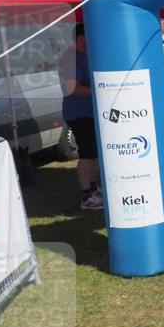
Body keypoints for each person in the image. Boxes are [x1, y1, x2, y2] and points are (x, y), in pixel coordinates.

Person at [58, 23, 102, 210]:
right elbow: (72, 88)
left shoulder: (84, 55)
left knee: (93, 153)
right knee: (86, 154)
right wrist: (99, 91)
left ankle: (94, 190)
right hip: (78, 113)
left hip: (89, 113)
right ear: (81, 38)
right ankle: (86, 197)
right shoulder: (70, 58)